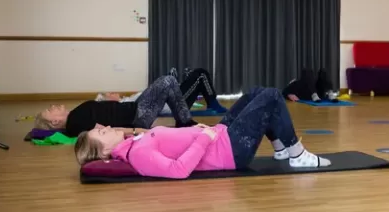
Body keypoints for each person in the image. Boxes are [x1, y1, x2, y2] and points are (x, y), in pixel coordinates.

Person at [74, 87, 332, 179]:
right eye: (103, 134)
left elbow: (170, 141)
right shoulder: (139, 155)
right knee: (272, 96)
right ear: (105, 151)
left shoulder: (133, 143)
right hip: (229, 151)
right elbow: (178, 170)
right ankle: (296, 154)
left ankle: (279, 148)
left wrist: (194, 131)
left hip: (218, 135)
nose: (106, 128)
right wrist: (202, 138)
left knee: (255, 93)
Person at [35, 75, 198, 137]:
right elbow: (106, 131)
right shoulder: (75, 122)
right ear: (55, 122)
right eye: (50, 110)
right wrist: (137, 131)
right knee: (167, 81)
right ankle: (186, 124)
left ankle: (184, 123)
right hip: (137, 116)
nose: (53, 106)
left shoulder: (75, 116)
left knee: (168, 83)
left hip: (135, 109)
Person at [97, 67, 228, 114]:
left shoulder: (127, 100)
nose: (111, 92)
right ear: (109, 102)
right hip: (175, 104)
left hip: (170, 97)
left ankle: (176, 80)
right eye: (108, 95)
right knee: (201, 74)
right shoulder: (126, 105)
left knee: (196, 74)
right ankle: (213, 104)